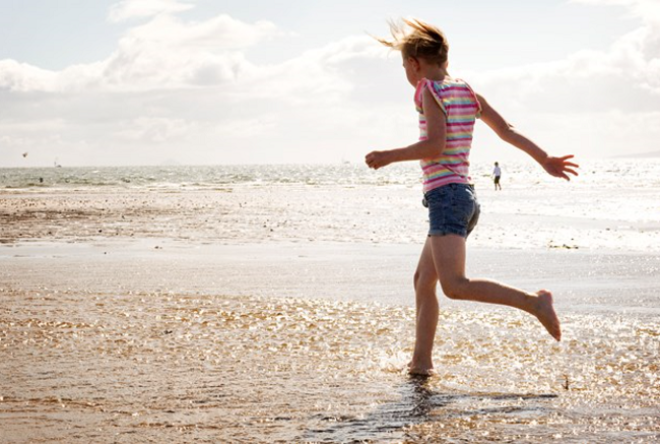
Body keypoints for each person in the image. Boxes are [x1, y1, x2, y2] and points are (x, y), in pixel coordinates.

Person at [365, 19, 579, 376]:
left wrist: (389, 156)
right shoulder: (467, 92)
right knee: (423, 281)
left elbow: (435, 146)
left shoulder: (427, 90)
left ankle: (534, 303)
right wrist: (545, 159)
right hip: (462, 198)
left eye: (404, 65)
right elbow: (507, 131)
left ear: (416, 63)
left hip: (448, 196)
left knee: (454, 286)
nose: (406, 72)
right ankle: (421, 363)